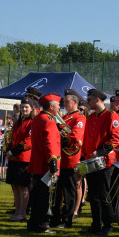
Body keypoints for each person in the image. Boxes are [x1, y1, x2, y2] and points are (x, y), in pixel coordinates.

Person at [81, 89, 119, 236]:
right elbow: (87, 138)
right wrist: (84, 155)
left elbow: (114, 139)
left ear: (97, 100)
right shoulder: (91, 116)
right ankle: (96, 224)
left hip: (104, 161)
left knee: (104, 194)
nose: (88, 102)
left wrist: (98, 152)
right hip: (91, 161)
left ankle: (108, 225)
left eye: (90, 100)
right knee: (93, 195)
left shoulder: (111, 115)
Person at [50, 90, 85, 228]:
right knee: (58, 190)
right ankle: (56, 217)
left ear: (75, 102)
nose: (64, 104)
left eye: (67, 101)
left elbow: (76, 135)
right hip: (61, 158)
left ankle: (67, 219)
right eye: (63, 101)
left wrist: (60, 140)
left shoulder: (79, 117)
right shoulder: (64, 117)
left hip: (71, 158)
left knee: (69, 191)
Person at [27, 94, 61, 234]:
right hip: (46, 164)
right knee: (44, 196)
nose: (59, 107)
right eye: (58, 105)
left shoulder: (37, 118)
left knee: (36, 195)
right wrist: (53, 164)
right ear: (51, 107)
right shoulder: (49, 120)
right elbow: (50, 144)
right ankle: (42, 224)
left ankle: (33, 223)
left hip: (37, 162)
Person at [5, 100, 35, 221]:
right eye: (22, 107)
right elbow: (12, 138)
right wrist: (8, 149)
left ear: (31, 108)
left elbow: (28, 141)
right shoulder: (18, 121)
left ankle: (22, 213)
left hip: (24, 159)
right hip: (15, 158)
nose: (24, 109)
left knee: (23, 187)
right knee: (15, 185)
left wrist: (13, 152)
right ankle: (17, 211)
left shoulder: (32, 122)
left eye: (26, 107)